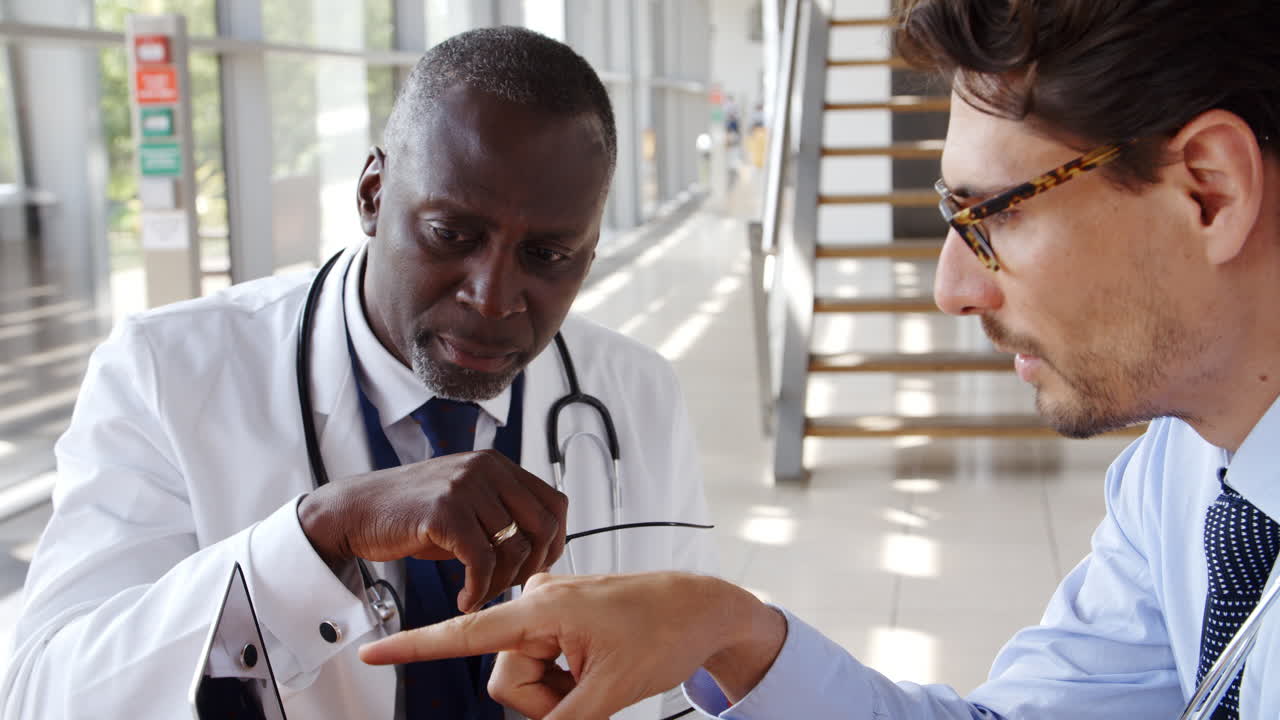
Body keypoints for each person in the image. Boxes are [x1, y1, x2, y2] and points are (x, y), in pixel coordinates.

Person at [357, 1, 1280, 719]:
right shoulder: (1183, 474)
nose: (951, 287)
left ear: (1209, 191)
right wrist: (727, 631)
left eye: (996, 212)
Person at [1, 27, 715, 720]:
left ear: (589, 253)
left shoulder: (637, 394)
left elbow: (683, 683)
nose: (492, 298)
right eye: (452, 235)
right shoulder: (167, 373)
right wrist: (319, 536)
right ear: (373, 194)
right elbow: (44, 693)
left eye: (548, 256)